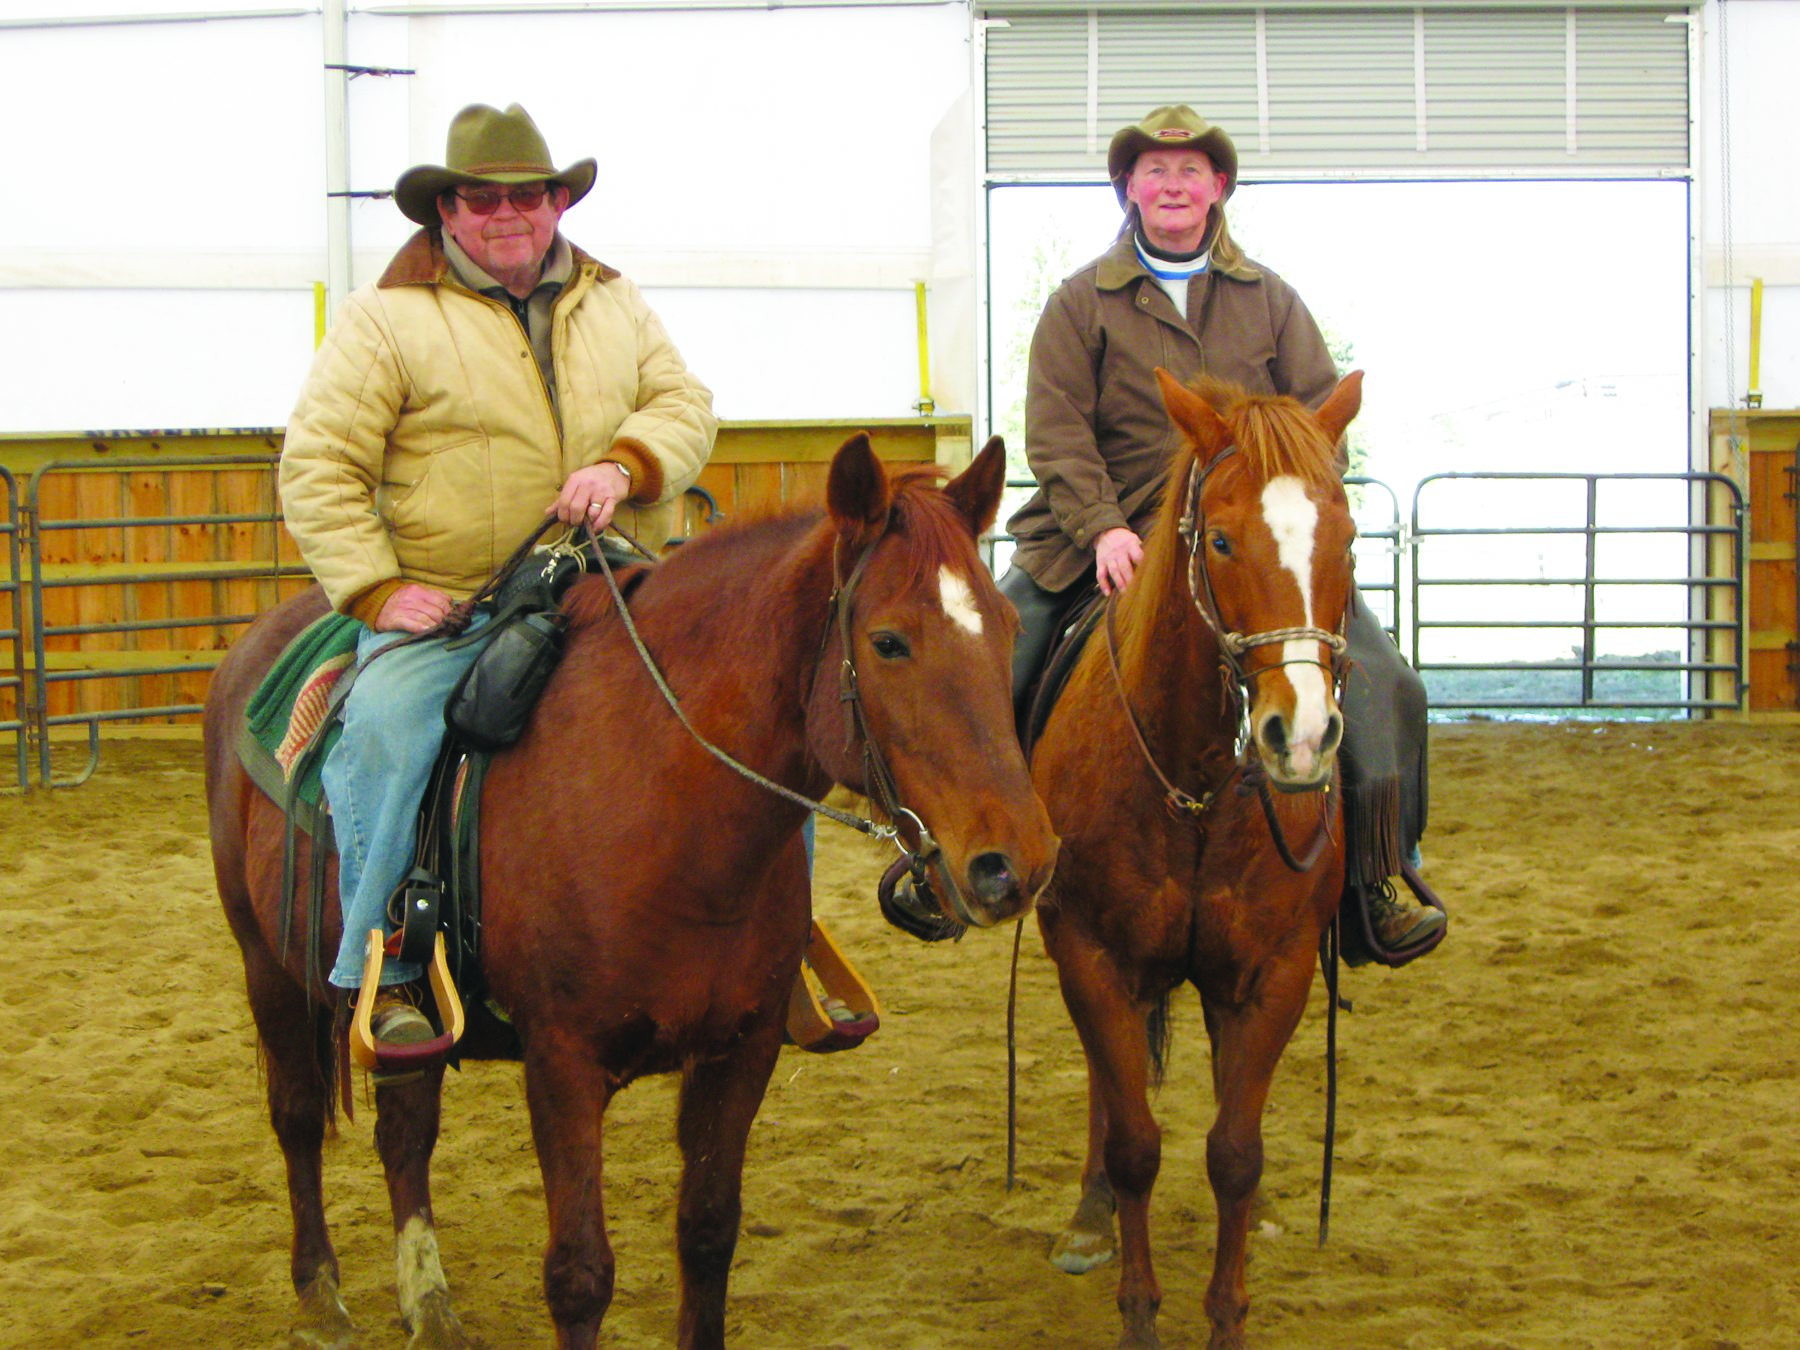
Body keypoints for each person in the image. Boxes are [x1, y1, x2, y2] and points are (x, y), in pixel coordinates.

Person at [280, 103, 718, 1044]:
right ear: (447, 212)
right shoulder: (385, 323)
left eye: (528, 194)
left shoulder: (615, 299)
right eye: (483, 198)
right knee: (393, 727)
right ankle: (387, 964)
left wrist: (626, 463)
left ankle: (774, 941)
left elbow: (685, 402)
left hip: (614, 580)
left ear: (559, 201)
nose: (507, 213)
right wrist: (377, 591)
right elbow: (318, 465)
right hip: (462, 602)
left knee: (749, 698)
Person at [1001, 104, 1445, 956]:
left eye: (1191, 170)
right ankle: (970, 857)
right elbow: (1056, 430)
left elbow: (1319, 419)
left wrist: (1295, 512)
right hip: (1103, 531)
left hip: (1247, 538)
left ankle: (1380, 873)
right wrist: (1101, 529)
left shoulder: (1271, 300)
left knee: (1389, 681)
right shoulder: (1077, 304)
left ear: (1219, 188)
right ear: (1128, 187)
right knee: (995, 657)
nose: (1173, 183)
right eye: (1155, 170)